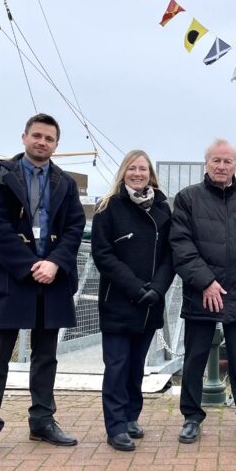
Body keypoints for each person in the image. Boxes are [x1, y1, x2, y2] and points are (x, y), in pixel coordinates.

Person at [0, 113, 86, 462]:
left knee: (46, 356)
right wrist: (28, 265)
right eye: (37, 136)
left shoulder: (65, 182)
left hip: (52, 278)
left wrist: (54, 263)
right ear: (24, 137)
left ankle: (42, 422)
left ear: (56, 145)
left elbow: (75, 228)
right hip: (11, 275)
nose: (42, 143)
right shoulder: (1, 177)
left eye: (49, 139)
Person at [169, 139, 236, 444]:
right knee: (195, 359)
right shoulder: (188, 199)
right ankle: (191, 416)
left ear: (235, 165)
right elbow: (181, 244)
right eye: (216, 161)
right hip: (202, 292)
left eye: (227, 161)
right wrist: (204, 280)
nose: (221, 166)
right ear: (206, 163)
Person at [90, 150, 175, 452]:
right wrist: (135, 288)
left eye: (143, 169)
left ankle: (130, 417)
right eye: (132, 168)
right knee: (117, 365)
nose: (137, 174)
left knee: (136, 365)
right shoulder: (108, 207)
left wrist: (158, 288)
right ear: (123, 172)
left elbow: (170, 254)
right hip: (119, 300)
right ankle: (115, 427)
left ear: (150, 174)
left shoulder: (163, 207)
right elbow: (103, 255)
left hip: (150, 302)